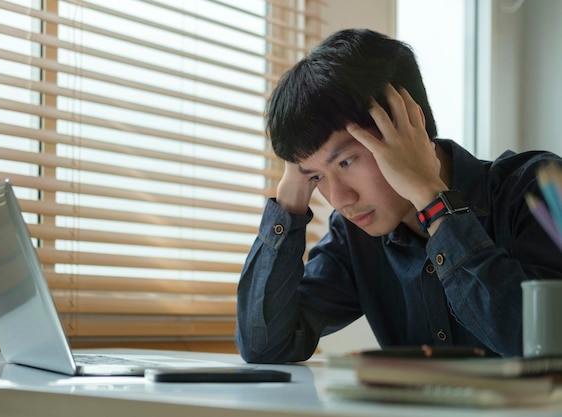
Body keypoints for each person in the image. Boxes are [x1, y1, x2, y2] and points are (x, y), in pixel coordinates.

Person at [234, 28, 562, 363]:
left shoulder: (540, 188)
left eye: (347, 161)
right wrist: (290, 195)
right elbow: (264, 346)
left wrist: (431, 198)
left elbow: (540, 349)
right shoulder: (355, 236)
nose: (339, 199)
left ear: (409, 124)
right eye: (318, 177)